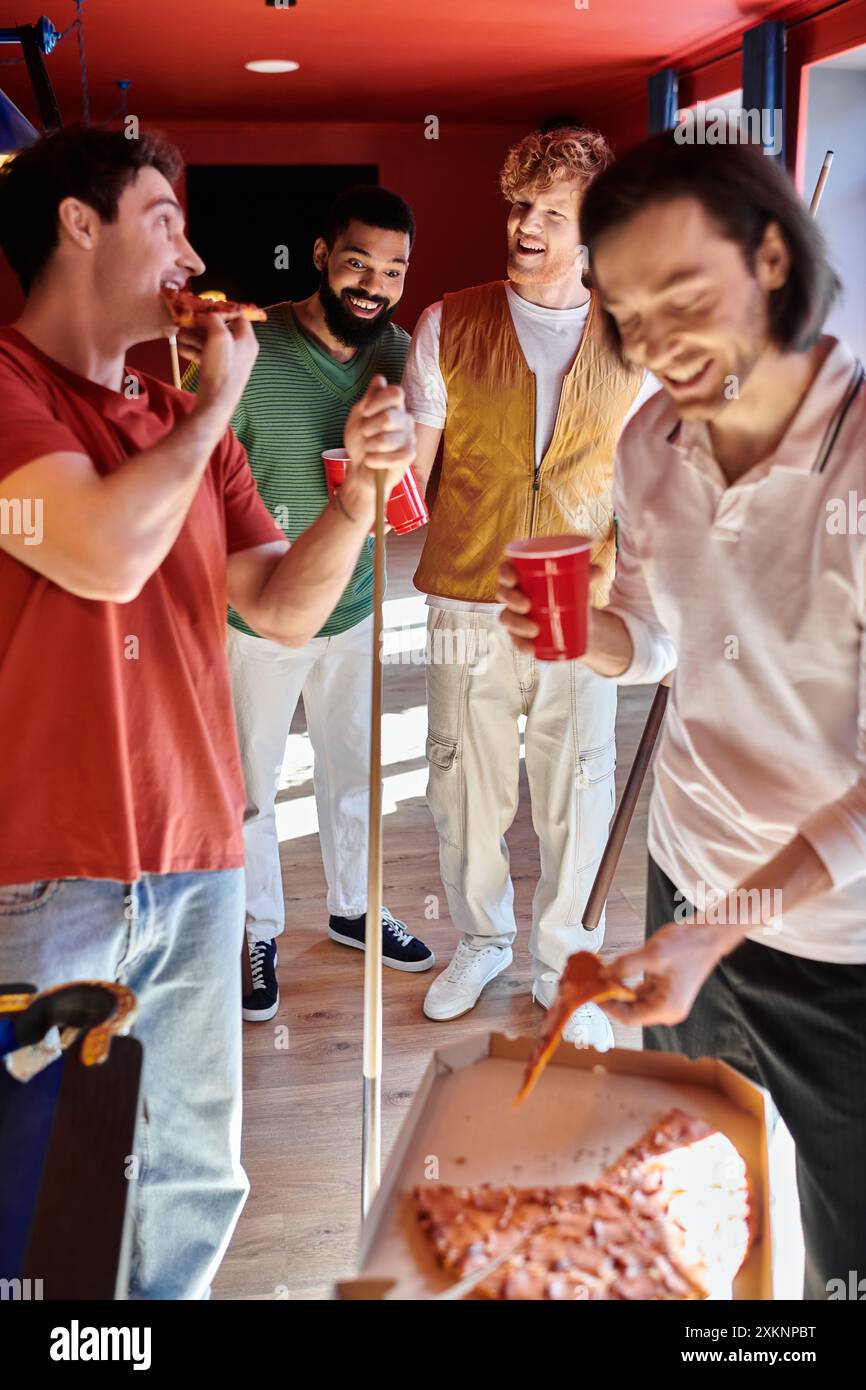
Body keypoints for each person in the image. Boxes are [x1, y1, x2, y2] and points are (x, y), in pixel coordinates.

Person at [0, 126, 415, 1298]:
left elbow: (283, 608)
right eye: (163, 221)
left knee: (186, 1183)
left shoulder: (178, 422)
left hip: (197, 858)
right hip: (43, 873)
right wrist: (212, 408)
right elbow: (95, 553)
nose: (191, 256)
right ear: (78, 225)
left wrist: (360, 492)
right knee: (44, 1203)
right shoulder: (13, 390)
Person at [498, 130, 866, 1300]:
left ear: (769, 258)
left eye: (679, 293)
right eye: (622, 310)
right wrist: (583, 636)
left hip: (838, 940)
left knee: (844, 1251)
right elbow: (656, 635)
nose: (652, 340)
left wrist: (728, 921)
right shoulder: (651, 439)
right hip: (686, 883)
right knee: (696, 1207)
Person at [403, 127, 655, 1041]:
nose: (528, 226)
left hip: (576, 603)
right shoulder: (447, 322)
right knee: (464, 786)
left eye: (553, 212)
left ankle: (565, 963)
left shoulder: (639, 338)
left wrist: (625, 569)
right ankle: (482, 938)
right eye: (519, 206)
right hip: (466, 597)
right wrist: (379, 468)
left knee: (577, 786)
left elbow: (652, 483)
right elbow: (409, 483)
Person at [181, 185, 433, 1024]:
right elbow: (199, 483)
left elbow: (412, 488)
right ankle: (255, 930)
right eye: (357, 261)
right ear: (321, 255)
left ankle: (354, 908)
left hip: (357, 603)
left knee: (353, 770)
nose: (373, 284)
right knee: (253, 787)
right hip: (255, 614)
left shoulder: (400, 354)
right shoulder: (253, 350)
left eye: (392, 270)